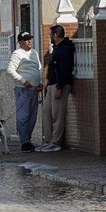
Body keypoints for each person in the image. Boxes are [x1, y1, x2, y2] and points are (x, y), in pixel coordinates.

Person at [37, 24, 75, 152]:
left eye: (50, 35)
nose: (49, 37)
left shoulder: (65, 49)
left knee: (58, 114)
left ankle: (56, 142)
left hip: (60, 85)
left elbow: (64, 69)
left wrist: (60, 86)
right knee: (46, 111)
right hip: (52, 85)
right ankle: (48, 140)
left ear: (55, 35)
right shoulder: (57, 48)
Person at [6, 31, 42, 152]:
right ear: (20, 42)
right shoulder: (17, 54)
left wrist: (40, 81)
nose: (29, 41)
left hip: (34, 89)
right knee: (23, 117)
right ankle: (25, 142)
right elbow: (10, 70)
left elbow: (39, 68)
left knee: (32, 117)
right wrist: (23, 80)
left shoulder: (34, 53)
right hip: (23, 89)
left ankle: (28, 140)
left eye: (30, 39)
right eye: (26, 39)